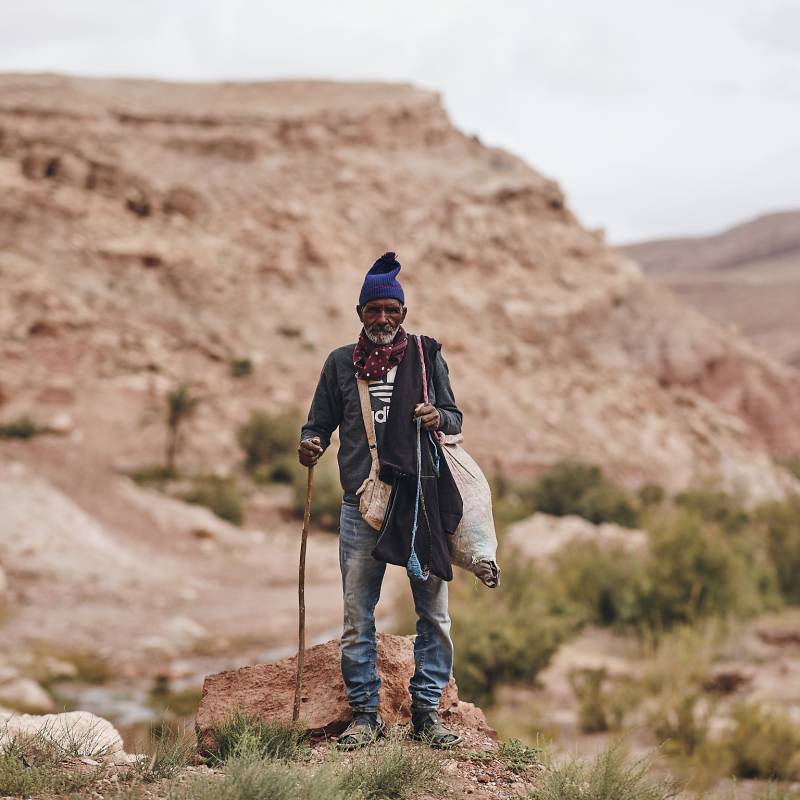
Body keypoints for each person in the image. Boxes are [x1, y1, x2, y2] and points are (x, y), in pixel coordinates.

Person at [298, 252, 464, 750]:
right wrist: (309, 445)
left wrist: (438, 417)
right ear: (360, 314)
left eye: (392, 310)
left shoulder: (427, 355)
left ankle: (428, 715)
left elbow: (455, 418)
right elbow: (317, 425)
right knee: (356, 616)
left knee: (433, 614)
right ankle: (365, 717)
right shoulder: (340, 364)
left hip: (420, 504)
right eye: (375, 311)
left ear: (404, 314)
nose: (384, 319)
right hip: (360, 507)